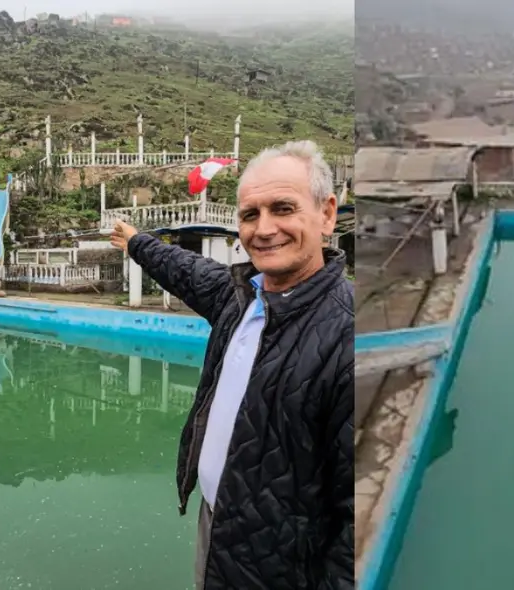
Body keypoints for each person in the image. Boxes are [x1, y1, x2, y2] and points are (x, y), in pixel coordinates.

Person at [109, 140, 354, 590]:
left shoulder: (350, 337)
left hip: (286, 566)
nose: (264, 229)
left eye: (283, 208)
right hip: (219, 527)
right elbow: (183, 268)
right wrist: (136, 242)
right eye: (249, 214)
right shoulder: (240, 296)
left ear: (327, 213)